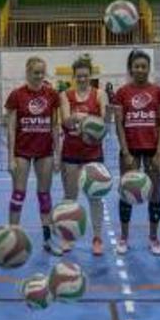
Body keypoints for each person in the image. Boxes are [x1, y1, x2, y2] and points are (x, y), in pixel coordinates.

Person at [113, 49, 160, 255]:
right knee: (126, 193)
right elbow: (119, 124)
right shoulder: (122, 93)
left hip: (153, 148)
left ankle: (153, 238)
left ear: (149, 68)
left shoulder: (158, 92)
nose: (140, 70)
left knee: (155, 194)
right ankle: (124, 238)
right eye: (137, 66)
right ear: (131, 69)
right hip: (131, 149)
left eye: (144, 66)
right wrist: (125, 151)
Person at [5, 57, 61, 254]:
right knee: (18, 193)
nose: (38, 76)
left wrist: (58, 154)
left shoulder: (52, 95)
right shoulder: (16, 95)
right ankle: (12, 239)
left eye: (41, 72)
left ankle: (48, 240)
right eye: (35, 72)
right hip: (22, 150)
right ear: (27, 72)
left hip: (44, 150)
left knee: (44, 195)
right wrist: (10, 157)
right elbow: (11, 128)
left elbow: (54, 126)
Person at [59, 55, 109, 255]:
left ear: (90, 76)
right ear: (73, 76)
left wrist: (82, 118)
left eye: (85, 76)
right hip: (71, 152)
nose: (81, 79)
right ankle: (67, 237)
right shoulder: (66, 95)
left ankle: (97, 238)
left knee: (95, 197)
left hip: (93, 154)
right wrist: (82, 119)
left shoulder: (99, 94)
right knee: (70, 198)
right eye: (78, 76)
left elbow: (103, 122)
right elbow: (66, 121)